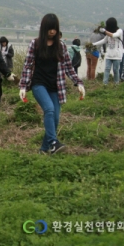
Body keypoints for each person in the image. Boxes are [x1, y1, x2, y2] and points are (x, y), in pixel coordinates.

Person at [19, 13, 85, 155]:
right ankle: (54, 143)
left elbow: (68, 67)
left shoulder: (61, 46)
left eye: (55, 28)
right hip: (39, 84)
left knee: (54, 118)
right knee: (49, 109)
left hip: (56, 86)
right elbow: (27, 66)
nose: (52, 31)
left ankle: (43, 150)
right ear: (44, 28)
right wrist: (23, 86)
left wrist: (78, 83)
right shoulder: (35, 44)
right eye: (50, 28)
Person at [93, 18, 124, 85]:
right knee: (107, 69)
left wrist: (104, 31)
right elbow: (104, 40)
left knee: (115, 70)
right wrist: (93, 44)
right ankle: (105, 84)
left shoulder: (119, 31)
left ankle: (116, 84)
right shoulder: (108, 33)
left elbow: (113, 35)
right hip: (109, 54)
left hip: (117, 55)